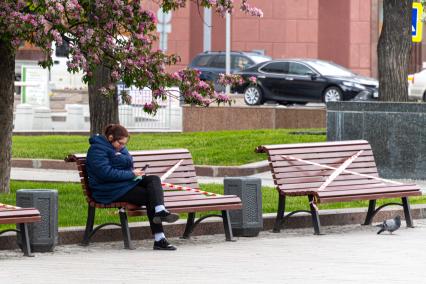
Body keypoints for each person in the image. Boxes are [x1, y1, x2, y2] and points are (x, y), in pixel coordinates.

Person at [86, 124, 178, 250]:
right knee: (149, 195)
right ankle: (159, 239)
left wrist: (135, 173)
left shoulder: (119, 149)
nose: (123, 146)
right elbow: (105, 174)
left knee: (153, 179)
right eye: (120, 143)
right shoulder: (97, 150)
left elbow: (126, 164)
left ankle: (160, 210)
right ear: (110, 137)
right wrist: (131, 174)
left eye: (124, 143)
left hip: (124, 184)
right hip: (108, 190)